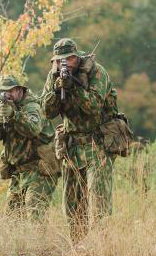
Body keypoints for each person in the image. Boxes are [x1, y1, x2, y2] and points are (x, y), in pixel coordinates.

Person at [41, 37, 123, 239]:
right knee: (72, 206)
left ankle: (101, 249)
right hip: (72, 146)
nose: (64, 63)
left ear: (76, 57)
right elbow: (47, 112)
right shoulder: (54, 75)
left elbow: (93, 107)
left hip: (98, 144)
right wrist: (58, 89)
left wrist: (74, 87)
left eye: (68, 58)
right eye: (59, 60)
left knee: (99, 205)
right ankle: (78, 248)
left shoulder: (96, 72)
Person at [0, 74, 59, 216]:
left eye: (10, 91)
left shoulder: (33, 106)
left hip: (39, 169)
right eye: (3, 92)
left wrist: (14, 115)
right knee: (12, 219)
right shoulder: (3, 108)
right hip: (18, 173)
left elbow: (33, 130)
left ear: (20, 90)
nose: (7, 95)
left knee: (34, 213)